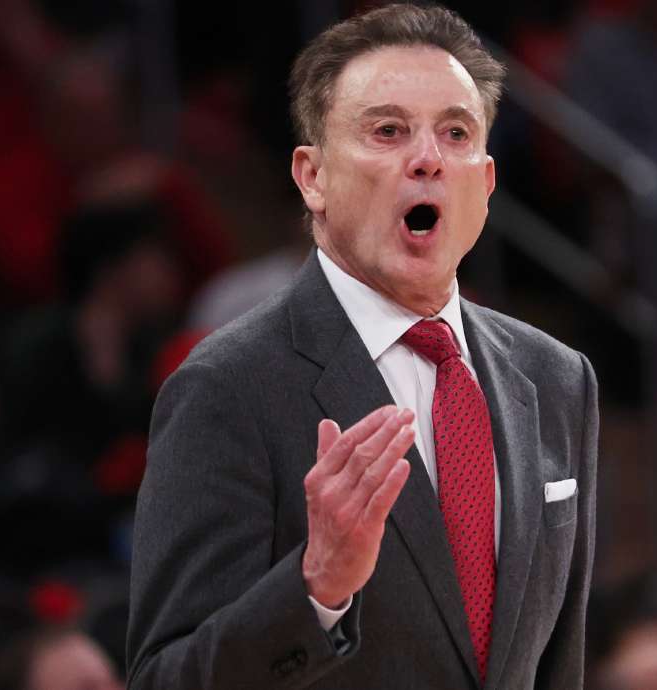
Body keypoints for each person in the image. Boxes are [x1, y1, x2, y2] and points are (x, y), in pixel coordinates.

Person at [126, 5, 598, 689]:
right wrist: (315, 590)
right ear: (312, 177)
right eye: (387, 130)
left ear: (487, 184)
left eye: (456, 133)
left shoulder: (557, 378)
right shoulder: (228, 385)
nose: (428, 159)